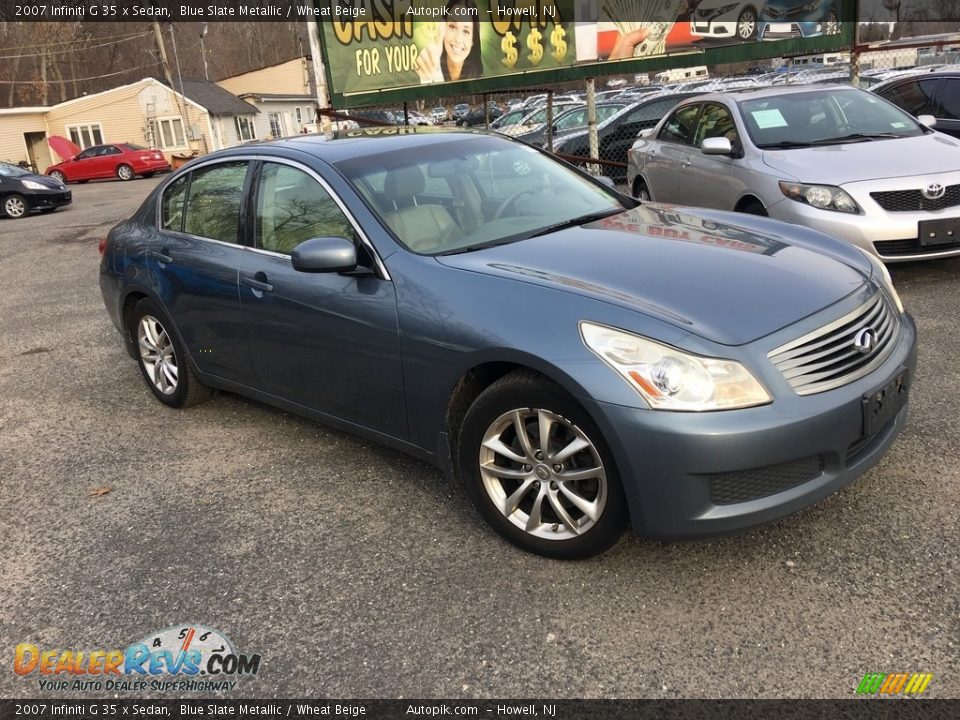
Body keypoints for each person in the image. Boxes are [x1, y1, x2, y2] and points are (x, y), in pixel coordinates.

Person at [415, 0, 483, 83]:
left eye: (466, 31)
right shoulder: (433, 65)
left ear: (473, 40)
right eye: (452, 26)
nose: (458, 39)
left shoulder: (480, 77)